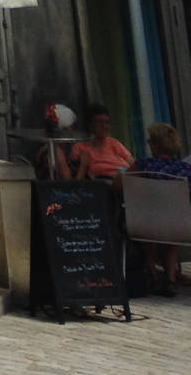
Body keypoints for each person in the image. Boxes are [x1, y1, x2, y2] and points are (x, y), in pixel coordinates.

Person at [130, 122, 191, 293]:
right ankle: (171, 279)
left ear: (156, 145)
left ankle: (153, 276)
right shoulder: (185, 169)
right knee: (170, 237)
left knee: (148, 232)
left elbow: (120, 185)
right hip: (178, 226)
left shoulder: (142, 165)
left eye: (150, 141)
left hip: (146, 224)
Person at [71, 104, 134, 183]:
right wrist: (83, 164)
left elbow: (133, 164)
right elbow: (77, 181)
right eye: (100, 122)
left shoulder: (114, 143)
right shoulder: (80, 147)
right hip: (105, 185)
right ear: (90, 125)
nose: (105, 126)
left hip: (128, 180)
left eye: (107, 122)